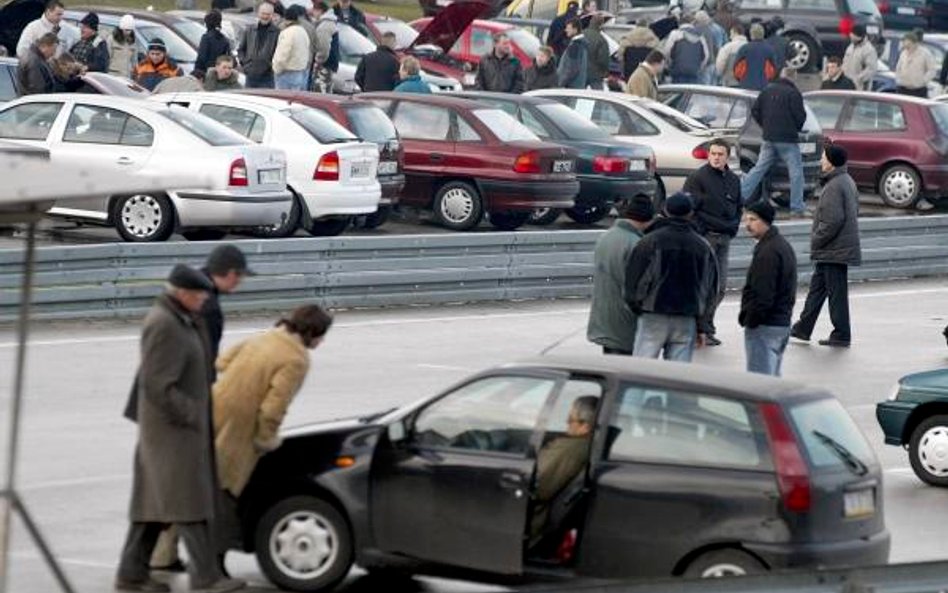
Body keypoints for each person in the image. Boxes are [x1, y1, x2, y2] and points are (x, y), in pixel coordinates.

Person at [114, 264, 244, 593]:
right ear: (182, 293)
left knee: (156, 506)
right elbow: (157, 384)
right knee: (189, 505)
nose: (204, 300)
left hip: (174, 432)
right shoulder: (164, 325)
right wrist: (193, 414)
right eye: (199, 295)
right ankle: (206, 577)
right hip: (170, 433)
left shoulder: (182, 319)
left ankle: (131, 574)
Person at [147, 245, 252, 573]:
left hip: (176, 404)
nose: (241, 284)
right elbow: (198, 359)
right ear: (229, 273)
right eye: (240, 276)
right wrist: (199, 407)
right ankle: (198, 569)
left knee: (175, 484)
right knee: (186, 483)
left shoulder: (198, 298)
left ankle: (161, 556)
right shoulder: (205, 307)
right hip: (180, 407)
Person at [212, 305, 332, 554]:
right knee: (224, 492)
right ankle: (213, 563)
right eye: (321, 335)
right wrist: (266, 439)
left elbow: (221, 363)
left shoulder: (263, 337)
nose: (322, 341)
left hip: (213, 410)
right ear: (311, 332)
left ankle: (162, 555)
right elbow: (273, 408)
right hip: (240, 427)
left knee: (190, 486)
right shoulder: (296, 359)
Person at [626, 192, 718, 362]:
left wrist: (638, 307)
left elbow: (635, 282)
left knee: (642, 373)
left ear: (666, 211)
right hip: (686, 318)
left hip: (653, 315)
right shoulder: (703, 246)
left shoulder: (650, 242)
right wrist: (702, 324)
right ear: (691, 213)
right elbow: (710, 289)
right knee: (677, 377)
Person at [791, 145, 861, 348]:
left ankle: (841, 333)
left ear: (831, 162)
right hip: (834, 249)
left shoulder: (834, 186)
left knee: (836, 294)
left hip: (833, 249)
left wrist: (816, 240)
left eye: (823, 157)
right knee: (817, 290)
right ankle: (803, 328)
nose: (821, 161)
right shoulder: (846, 181)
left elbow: (832, 221)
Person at [683, 138, 742, 347]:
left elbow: (738, 207)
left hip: (724, 239)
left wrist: (733, 227)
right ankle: (697, 328)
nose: (716, 158)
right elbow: (690, 209)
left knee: (720, 287)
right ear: (709, 155)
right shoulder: (698, 178)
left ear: (727, 157)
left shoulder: (734, 180)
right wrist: (702, 230)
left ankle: (706, 326)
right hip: (704, 238)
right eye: (713, 154)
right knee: (703, 285)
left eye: (720, 154)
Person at [587, 195, 655, 356]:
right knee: (623, 373)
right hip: (625, 323)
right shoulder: (636, 244)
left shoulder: (606, 237)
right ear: (647, 218)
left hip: (604, 318)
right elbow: (640, 286)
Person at [739, 200, 797, 376]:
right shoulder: (780, 245)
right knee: (771, 380)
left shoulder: (768, 252)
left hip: (766, 325)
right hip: (780, 322)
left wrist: (751, 318)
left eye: (753, 219)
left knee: (760, 384)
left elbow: (763, 293)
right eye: (746, 219)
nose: (747, 224)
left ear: (765, 221)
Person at [740, 67, 807, 217]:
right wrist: (794, 128)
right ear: (793, 78)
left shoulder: (767, 90)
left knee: (758, 169)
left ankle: (739, 198)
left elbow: (755, 111)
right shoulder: (793, 93)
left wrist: (765, 125)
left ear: (781, 75)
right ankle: (797, 207)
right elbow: (800, 117)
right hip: (788, 139)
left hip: (768, 137)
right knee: (796, 173)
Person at [530, 396, 596, 541]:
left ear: (585, 426)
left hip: (530, 520)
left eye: (571, 418)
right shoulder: (585, 446)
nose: (566, 422)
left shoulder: (569, 450)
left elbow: (535, 486)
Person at [237, 1, 280, 88]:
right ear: (258, 13)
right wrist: (245, 64)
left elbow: (278, 53)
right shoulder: (249, 30)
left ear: (272, 15)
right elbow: (241, 49)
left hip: (267, 76)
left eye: (268, 14)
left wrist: (271, 66)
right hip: (250, 75)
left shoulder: (277, 32)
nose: (265, 16)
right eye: (263, 13)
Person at [272, 4, 311, 91]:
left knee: (281, 101)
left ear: (285, 19)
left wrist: (276, 69)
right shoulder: (303, 31)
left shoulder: (287, 32)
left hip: (286, 73)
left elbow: (283, 54)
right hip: (300, 72)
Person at [663, 14, 709, 84]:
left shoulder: (675, 34)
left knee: (677, 93)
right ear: (692, 23)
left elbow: (667, 52)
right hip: (694, 72)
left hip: (677, 71)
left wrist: (669, 64)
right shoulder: (700, 36)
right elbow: (706, 56)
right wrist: (699, 67)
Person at [733, 23, 777, 91]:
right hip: (763, 85)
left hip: (745, 85)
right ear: (763, 34)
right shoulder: (769, 49)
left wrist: (741, 79)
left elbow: (736, 68)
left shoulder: (744, 48)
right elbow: (773, 69)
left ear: (751, 35)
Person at [895, 31, 936, 97]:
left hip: (918, 90)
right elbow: (898, 68)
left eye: (909, 45)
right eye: (905, 45)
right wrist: (899, 79)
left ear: (915, 43)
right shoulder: (903, 53)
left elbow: (932, 70)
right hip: (903, 88)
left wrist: (922, 81)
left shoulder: (925, 53)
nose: (906, 47)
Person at [194, 10, 232, 80]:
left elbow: (201, 58)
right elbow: (228, 57)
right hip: (221, 74)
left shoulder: (206, 38)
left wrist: (196, 73)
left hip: (206, 75)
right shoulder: (224, 39)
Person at [312, 1, 339, 93]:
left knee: (320, 93)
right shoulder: (331, 22)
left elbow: (323, 47)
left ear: (320, 11)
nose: (313, 13)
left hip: (325, 65)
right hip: (330, 64)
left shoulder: (324, 26)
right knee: (327, 91)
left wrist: (318, 61)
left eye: (314, 10)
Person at [841, 24, 877, 91]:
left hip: (859, 87)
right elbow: (844, 62)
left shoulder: (869, 50)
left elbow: (871, 69)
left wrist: (858, 79)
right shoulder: (850, 47)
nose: (851, 37)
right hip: (846, 84)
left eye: (853, 36)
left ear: (859, 37)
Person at [693, 10, 723, 84]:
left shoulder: (698, 31)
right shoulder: (716, 28)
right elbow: (718, 46)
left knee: (703, 90)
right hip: (713, 62)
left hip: (704, 64)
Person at [557, 19, 587, 89]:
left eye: (568, 28)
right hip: (577, 85)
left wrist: (561, 83)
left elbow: (572, 69)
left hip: (571, 87)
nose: (565, 30)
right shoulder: (581, 44)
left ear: (575, 29)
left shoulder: (575, 46)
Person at [584, 14, 610, 90]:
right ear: (600, 25)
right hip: (595, 75)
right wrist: (605, 72)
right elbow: (603, 59)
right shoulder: (601, 39)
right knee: (598, 95)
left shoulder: (580, 34)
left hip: (580, 73)